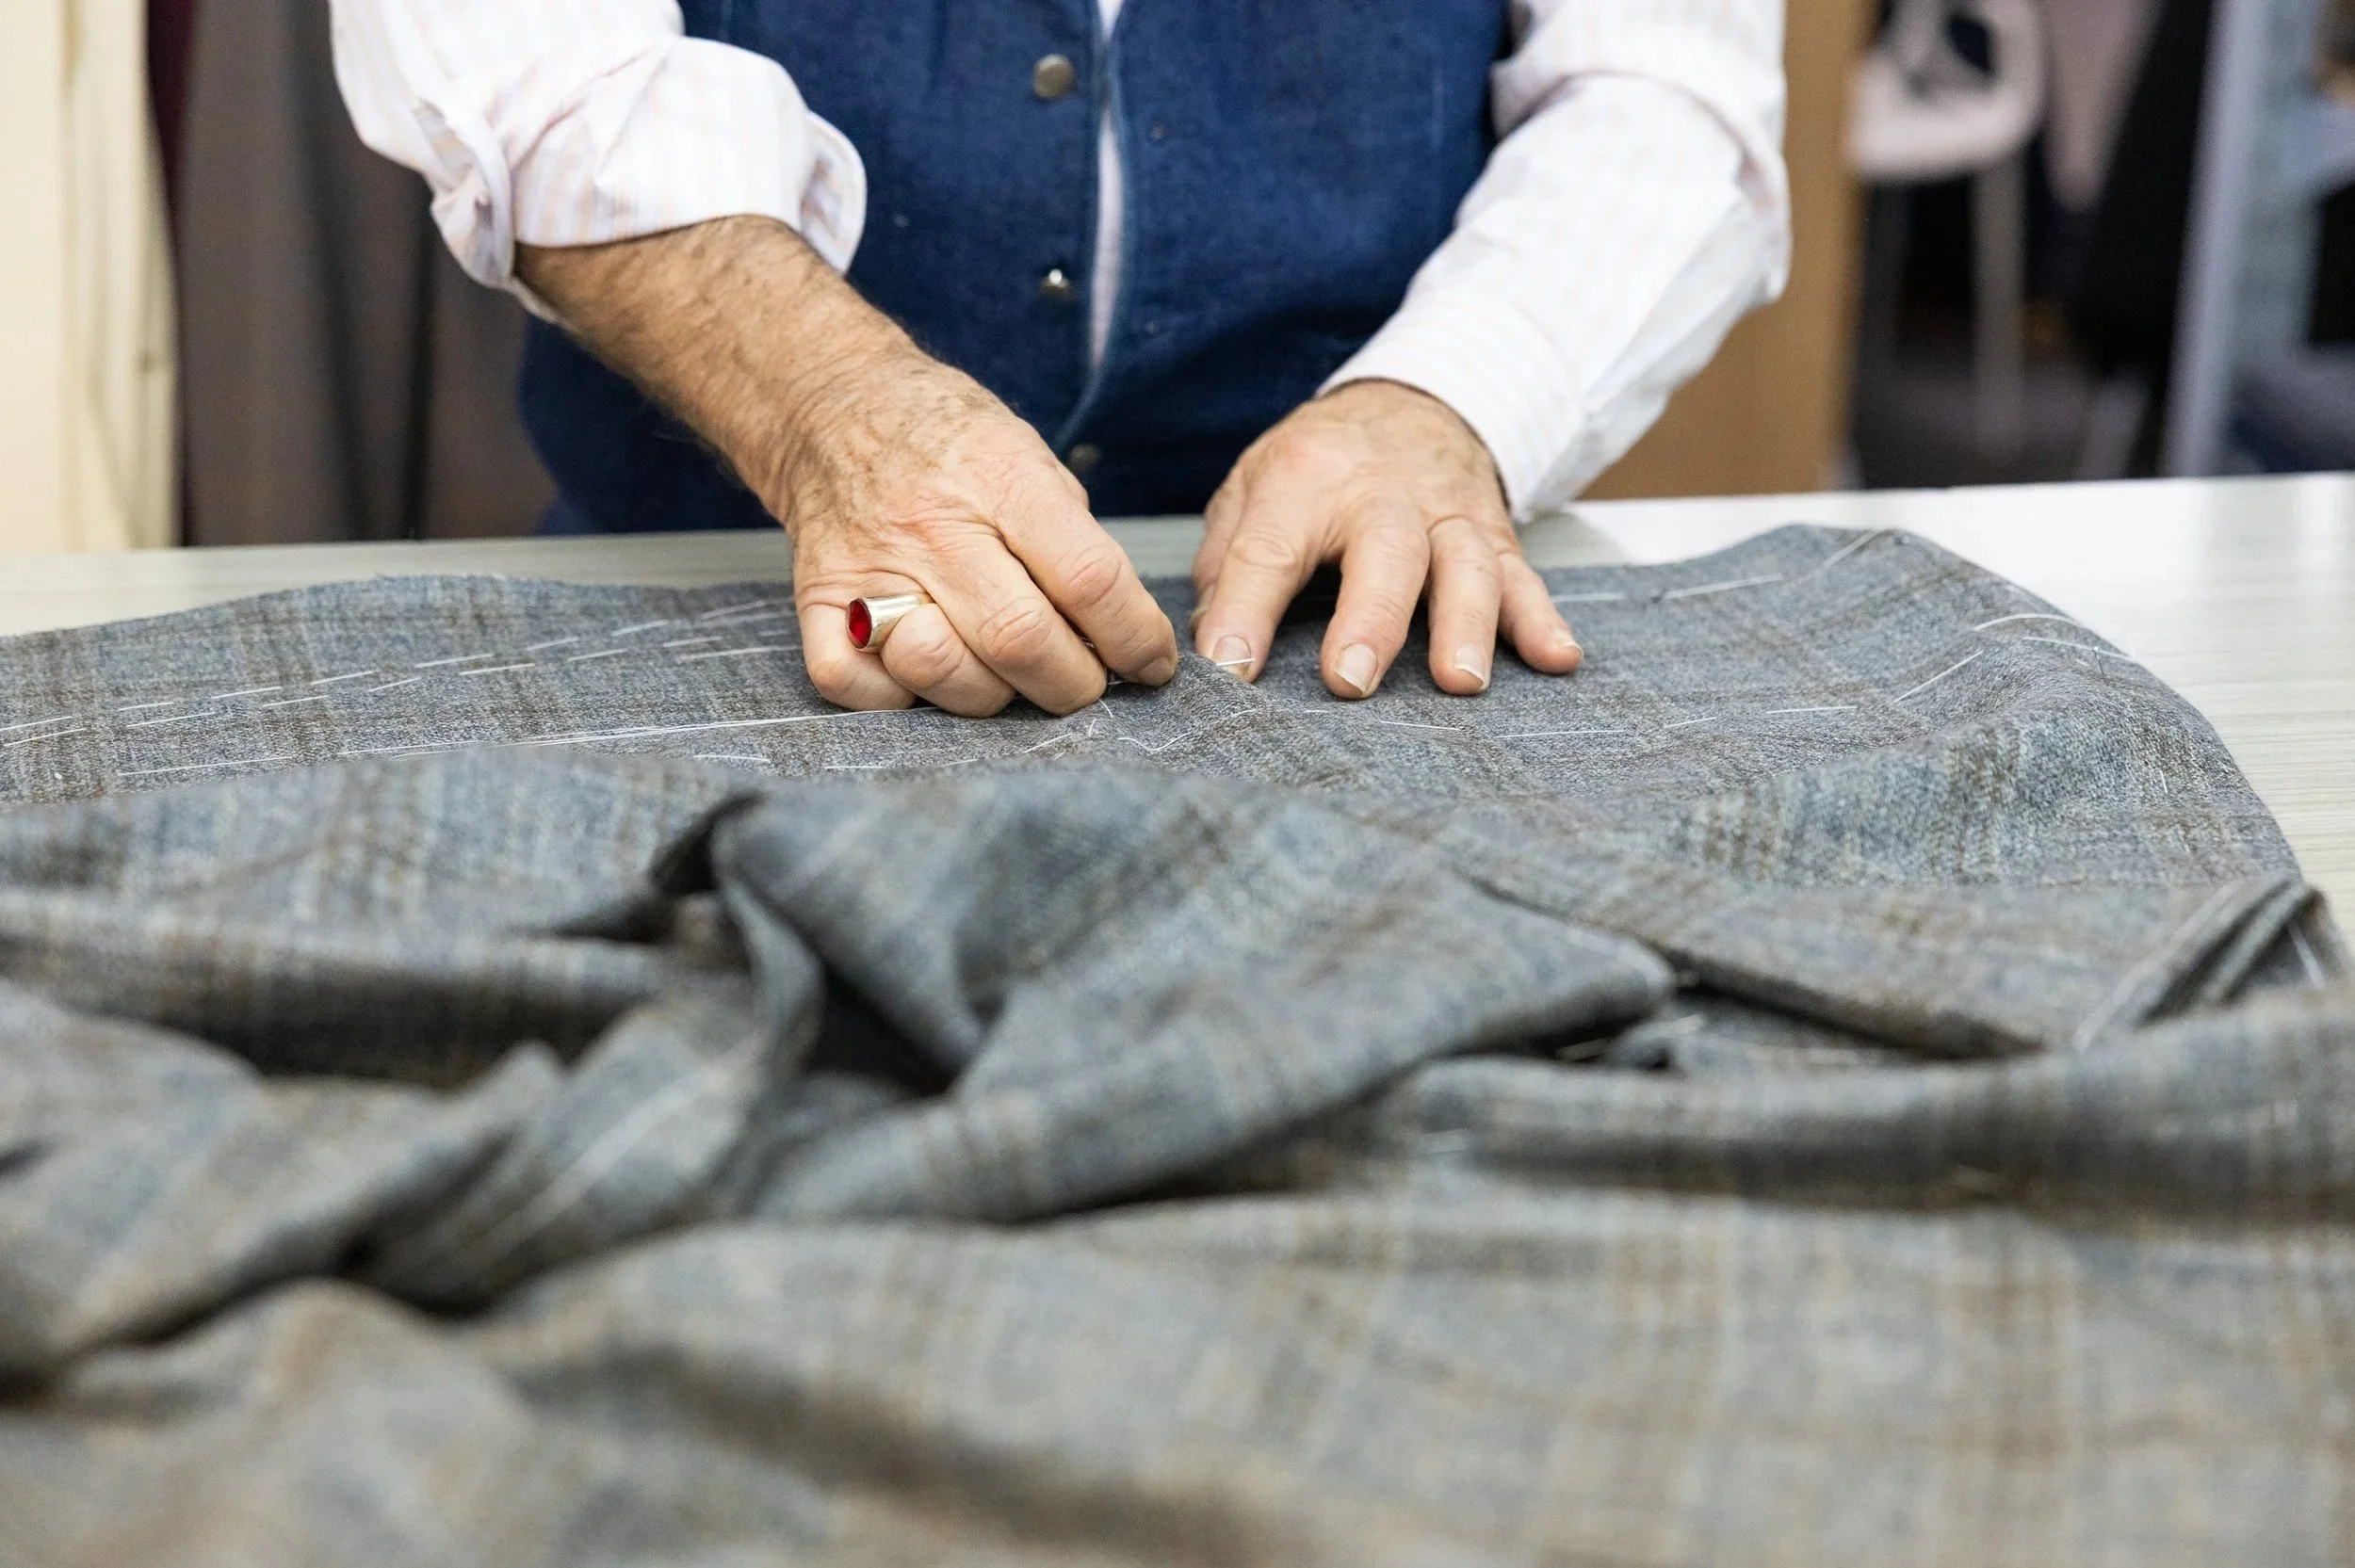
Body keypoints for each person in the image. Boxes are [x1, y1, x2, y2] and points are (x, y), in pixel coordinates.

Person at [332, 0, 1788, 715]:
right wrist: (831, 408)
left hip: (1366, 652)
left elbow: (1661, 87)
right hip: (724, 629)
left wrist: (1450, 397)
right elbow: (527, 67)